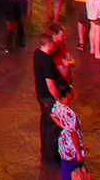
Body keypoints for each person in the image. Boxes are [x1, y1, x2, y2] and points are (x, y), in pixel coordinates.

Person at [34, 29, 67, 165]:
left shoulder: (37, 53)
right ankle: (50, 157)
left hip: (41, 96)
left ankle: (46, 152)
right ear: (49, 44)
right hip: (48, 98)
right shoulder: (47, 61)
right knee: (52, 127)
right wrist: (58, 100)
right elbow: (50, 84)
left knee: (46, 125)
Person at [51, 84, 86, 180]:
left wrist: (63, 127)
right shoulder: (69, 113)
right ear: (69, 95)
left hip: (63, 143)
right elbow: (73, 133)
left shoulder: (57, 105)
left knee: (65, 168)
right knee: (73, 170)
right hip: (71, 146)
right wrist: (79, 153)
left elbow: (52, 115)